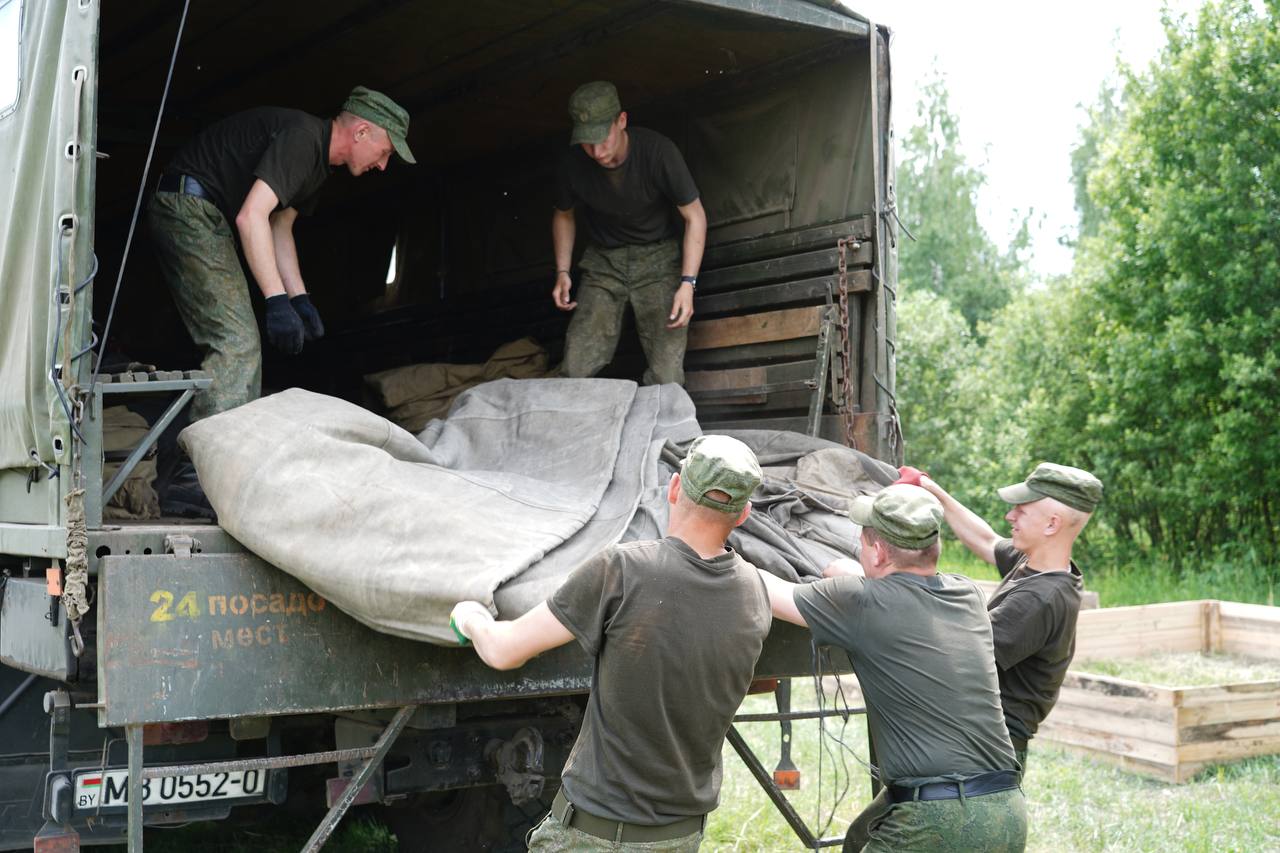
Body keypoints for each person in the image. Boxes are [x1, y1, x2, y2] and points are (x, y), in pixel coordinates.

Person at [450, 435, 769, 851]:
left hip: (595, 838)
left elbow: (504, 651)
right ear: (743, 513)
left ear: (674, 488)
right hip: (680, 838)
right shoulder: (755, 592)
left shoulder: (623, 569)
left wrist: (470, 618)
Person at [148, 86, 415, 515]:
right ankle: (193, 478)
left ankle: (206, 469)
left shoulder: (317, 166)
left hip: (202, 208)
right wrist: (275, 302)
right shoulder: (303, 138)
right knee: (236, 343)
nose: (383, 166)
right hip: (189, 207)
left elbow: (278, 225)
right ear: (362, 131)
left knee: (238, 342)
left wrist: (300, 298)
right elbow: (249, 216)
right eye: (384, 153)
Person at [758, 484, 1027, 853]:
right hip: (1007, 811)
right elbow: (900, 596)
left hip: (934, 821)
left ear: (880, 552)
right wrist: (855, 577)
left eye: (865, 543)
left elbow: (766, 589)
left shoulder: (859, 602)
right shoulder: (967, 595)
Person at [910, 462, 1103, 769]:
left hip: (987, 753)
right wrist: (931, 490)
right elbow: (986, 540)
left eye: (1021, 511)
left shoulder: (1039, 600)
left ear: (1052, 524)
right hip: (977, 738)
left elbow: (954, 650)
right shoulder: (1040, 562)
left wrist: (888, 585)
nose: (1009, 516)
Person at [551, 80, 707, 386]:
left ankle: (666, 433)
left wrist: (688, 283)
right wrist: (562, 270)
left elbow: (695, 217)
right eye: (587, 142)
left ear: (621, 121)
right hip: (603, 262)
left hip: (659, 259)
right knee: (576, 362)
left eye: (602, 139)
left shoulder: (658, 152)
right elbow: (563, 215)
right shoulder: (572, 165)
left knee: (667, 372)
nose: (596, 152)